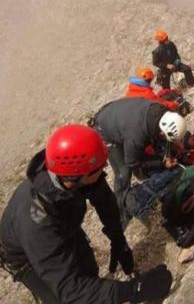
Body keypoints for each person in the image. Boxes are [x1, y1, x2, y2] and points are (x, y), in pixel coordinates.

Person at [0, 124, 172, 303]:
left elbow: (104, 199)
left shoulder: (74, 173)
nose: (105, 166)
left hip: (65, 221)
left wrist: (118, 239)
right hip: (28, 256)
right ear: (76, 176)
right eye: (100, 167)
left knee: (88, 268)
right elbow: (71, 290)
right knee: (62, 297)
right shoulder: (38, 220)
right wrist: (134, 290)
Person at [93, 97, 187, 226]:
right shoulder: (136, 137)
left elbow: (160, 138)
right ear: (161, 131)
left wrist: (174, 144)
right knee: (124, 171)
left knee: (152, 151)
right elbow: (132, 161)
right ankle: (122, 216)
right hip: (105, 128)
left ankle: (147, 177)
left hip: (120, 115)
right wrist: (162, 163)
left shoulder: (162, 113)